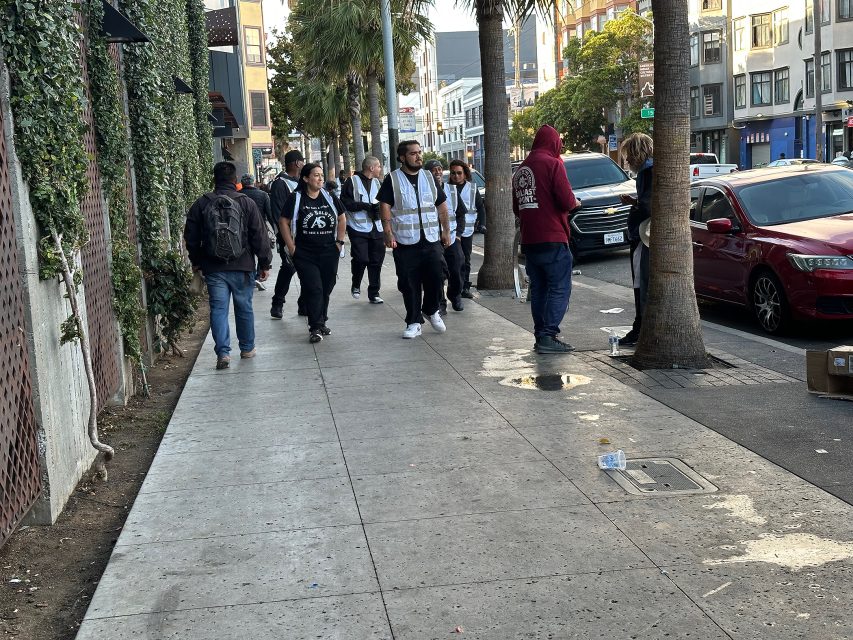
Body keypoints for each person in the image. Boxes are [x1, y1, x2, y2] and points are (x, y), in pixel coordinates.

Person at [184, 161, 272, 369]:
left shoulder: (202, 203)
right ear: (235, 180)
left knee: (218, 309)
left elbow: (191, 237)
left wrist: (197, 261)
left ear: (214, 179)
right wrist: (264, 263)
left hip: (213, 267)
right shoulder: (246, 202)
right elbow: (259, 235)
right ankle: (247, 348)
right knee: (244, 307)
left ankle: (223, 353)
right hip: (243, 265)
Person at [511, 124, 580, 354]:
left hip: (530, 239)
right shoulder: (553, 164)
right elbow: (566, 200)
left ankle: (541, 335)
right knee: (559, 287)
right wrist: (576, 203)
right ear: (554, 142)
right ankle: (548, 335)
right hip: (553, 236)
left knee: (539, 288)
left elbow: (516, 208)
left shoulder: (521, 169)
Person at [378, 140, 451, 339]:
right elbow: (384, 206)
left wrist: (446, 230)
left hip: (431, 239)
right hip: (405, 241)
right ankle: (413, 322)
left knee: (438, 275)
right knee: (409, 283)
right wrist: (387, 232)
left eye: (419, 152)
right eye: (413, 153)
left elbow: (441, 205)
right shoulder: (393, 179)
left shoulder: (428, 177)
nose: (419, 156)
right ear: (402, 157)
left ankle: (431, 309)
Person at [279, 163, 347, 343]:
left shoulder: (329, 197)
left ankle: (321, 320)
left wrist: (339, 242)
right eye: (316, 175)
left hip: (329, 251)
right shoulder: (296, 198)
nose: (320, 178)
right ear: (306, 178)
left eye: (321, 175)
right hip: (305, 253)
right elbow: (283, 221)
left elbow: (342, 218)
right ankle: (315, 327)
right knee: (314, 288)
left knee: (327, 286)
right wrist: (291, 247)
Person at [618, 133, 653, 347]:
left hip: (644, 234)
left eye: (628, 155)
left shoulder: (647, 172)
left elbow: (648, 205)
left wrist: (636, 205)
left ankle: (640, 326)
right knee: (641, 280)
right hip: (642, 232)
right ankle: (639, 325)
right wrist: (634, 202)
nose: (627, 160)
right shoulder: (648, 171)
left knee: (640, 281)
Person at [341, 156, 385, 303]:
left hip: (376, 228)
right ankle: (356, 284)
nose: (380, 169)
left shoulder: (378, 183)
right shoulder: (352, 181)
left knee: (376, 261)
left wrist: (378, 209)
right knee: (361, 259)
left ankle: (374, 293)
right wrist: (364, 206)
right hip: (357, 228)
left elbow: (383, 202)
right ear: (371, 168)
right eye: (378, 166)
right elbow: (345, 203)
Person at [269, 149, 305, 318]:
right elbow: (279, 214)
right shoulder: (280, 183)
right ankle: (277, 303)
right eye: (302, 161)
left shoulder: (301, 182)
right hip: (288, 236)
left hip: (305, 236)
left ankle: (304, 304)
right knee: (289, 268)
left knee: (307, 270)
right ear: (297, 163)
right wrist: (287, 238)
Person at [447, 159, 485, 299]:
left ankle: (465, 288)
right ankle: (453, 287)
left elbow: (481, 208)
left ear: (465, 174)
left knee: (465, 260)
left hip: (467, 231)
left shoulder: (472, 189)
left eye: (459, 173)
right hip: (451, 232)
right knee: (452, 261)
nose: (456, 176)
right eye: (453, 173)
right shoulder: (446, 189)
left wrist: (482, 224)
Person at [440, 160, 468, 313]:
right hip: (432, 240)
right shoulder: (424, 191)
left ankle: (455, 294)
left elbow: (461, 214)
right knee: (437, 272)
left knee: (457, 267)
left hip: (451, 238)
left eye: (439, 169)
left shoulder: (451, 190)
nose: (437, 172)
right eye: (433, 170)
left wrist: (458, 235)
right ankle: (440, 302)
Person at [240, 173, 274, 291]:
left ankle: (251, 276)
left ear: (242, 183)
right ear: (253, 182)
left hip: (242, 230)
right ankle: (259, 276)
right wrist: (275, 230)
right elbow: (270, 214)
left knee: (248, 254)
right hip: (260, 228)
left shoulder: (238, 195)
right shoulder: (263, 195)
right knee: (262, 251)